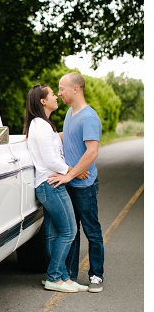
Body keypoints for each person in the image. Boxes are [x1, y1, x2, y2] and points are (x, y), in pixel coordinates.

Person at [23, 84, 88, 292]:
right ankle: (54, 276)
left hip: (49, 183)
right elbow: (50, 160)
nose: (56, 96)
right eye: (52, 94)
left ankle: (62, 276)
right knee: (69, 231)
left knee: (53, 234)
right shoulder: (40, 126)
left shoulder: (43, 125)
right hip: (51, 183)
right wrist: (74, 170)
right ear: (43, 101)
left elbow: (53, 144)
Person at [48, 72, 104, 293]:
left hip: (84, 186)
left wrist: (71, 174)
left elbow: (92, 152)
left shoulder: (89, 117)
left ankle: (96, 275)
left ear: (76, 89)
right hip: (70, 182)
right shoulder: (71, 113)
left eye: (62, 88)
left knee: (92, 231)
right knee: (72, 230)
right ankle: (70, 276)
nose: (59, 92)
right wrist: (35, 136)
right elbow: (68, 137)